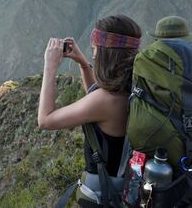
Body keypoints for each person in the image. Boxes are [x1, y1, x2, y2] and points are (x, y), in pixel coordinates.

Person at [38, 14, 142, 181]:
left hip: (106, 192)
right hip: (123, 182)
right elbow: (94, 95)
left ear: (106, 54)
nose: (93, 56)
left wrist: (50, 66)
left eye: (95, 50)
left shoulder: (107, 100)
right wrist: (83, 63)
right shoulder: (132, 86)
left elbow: (45, 120)